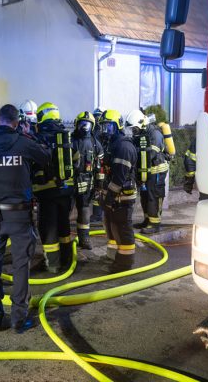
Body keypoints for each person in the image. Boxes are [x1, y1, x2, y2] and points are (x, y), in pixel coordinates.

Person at [0, 104, 50, 333]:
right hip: (20, 215)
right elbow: (46, 156)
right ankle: (18, 318)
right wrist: (29, 133)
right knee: (21, 265)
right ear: (17, 122)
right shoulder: (23, 142)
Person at [32, 102, 75, 273]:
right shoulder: (66, 135)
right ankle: (67, 259)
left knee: (48, 230)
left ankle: (53, 264)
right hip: (66, 191)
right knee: (64, 227)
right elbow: (76, 160)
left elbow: (34, 163)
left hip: (46, 191)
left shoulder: (39, 137)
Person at [99, 111, 139, 273]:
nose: (105, 130)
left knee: (123, 228)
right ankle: (116, 257)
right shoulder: (113, 144)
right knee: (112, 226)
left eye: (108, 126)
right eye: (103, 126)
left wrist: (109, 198)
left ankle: (125, 263)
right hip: (115, 196)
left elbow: (119, 177)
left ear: (118, 126)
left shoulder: (124, 147)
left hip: (123, 197)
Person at [126, 109, 170, 235]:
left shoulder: (155, 134)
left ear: (141, 124)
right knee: (145, 196)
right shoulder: (142, 134)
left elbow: (150, 154)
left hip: (156, 171)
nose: (133, 132)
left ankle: (155, 224)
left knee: (154, 196)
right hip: (147, 171)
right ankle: (147, 220)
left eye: (134, 129)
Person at [71, 111, 104, 250]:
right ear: (76, 124)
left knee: (84, 212)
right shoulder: (70, 140)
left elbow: (100, 168)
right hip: (70, 184)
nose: (85, 127)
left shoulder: (96, 144)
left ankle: (84, 238)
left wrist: (99, 186)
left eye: (88, 125)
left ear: (93, 126)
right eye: (82, 124)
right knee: (65, 212)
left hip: (87, 185)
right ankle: (64, 240)